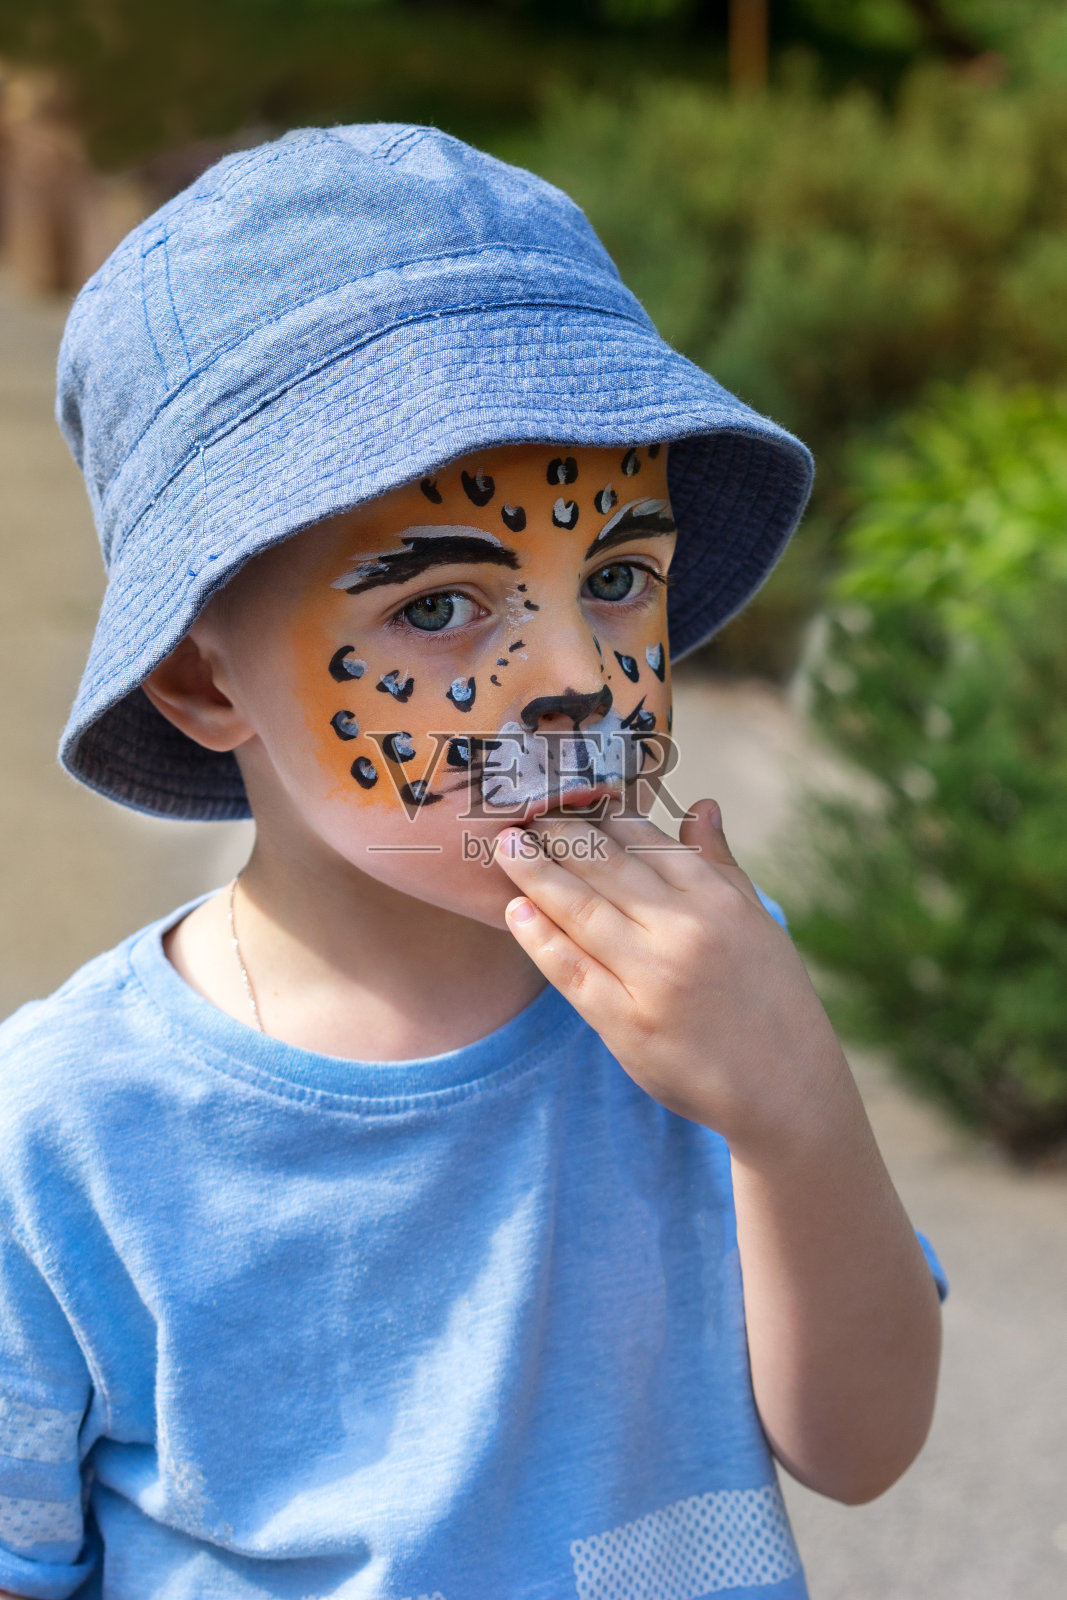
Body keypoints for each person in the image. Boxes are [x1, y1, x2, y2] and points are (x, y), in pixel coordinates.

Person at [0, 124, 945, 1600]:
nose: (575, 674)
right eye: (441, 605)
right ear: (199, 680)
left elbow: (865, 1446)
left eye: (620, 578)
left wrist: (792, 1114)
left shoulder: (705, 985)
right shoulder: (62, 1141)